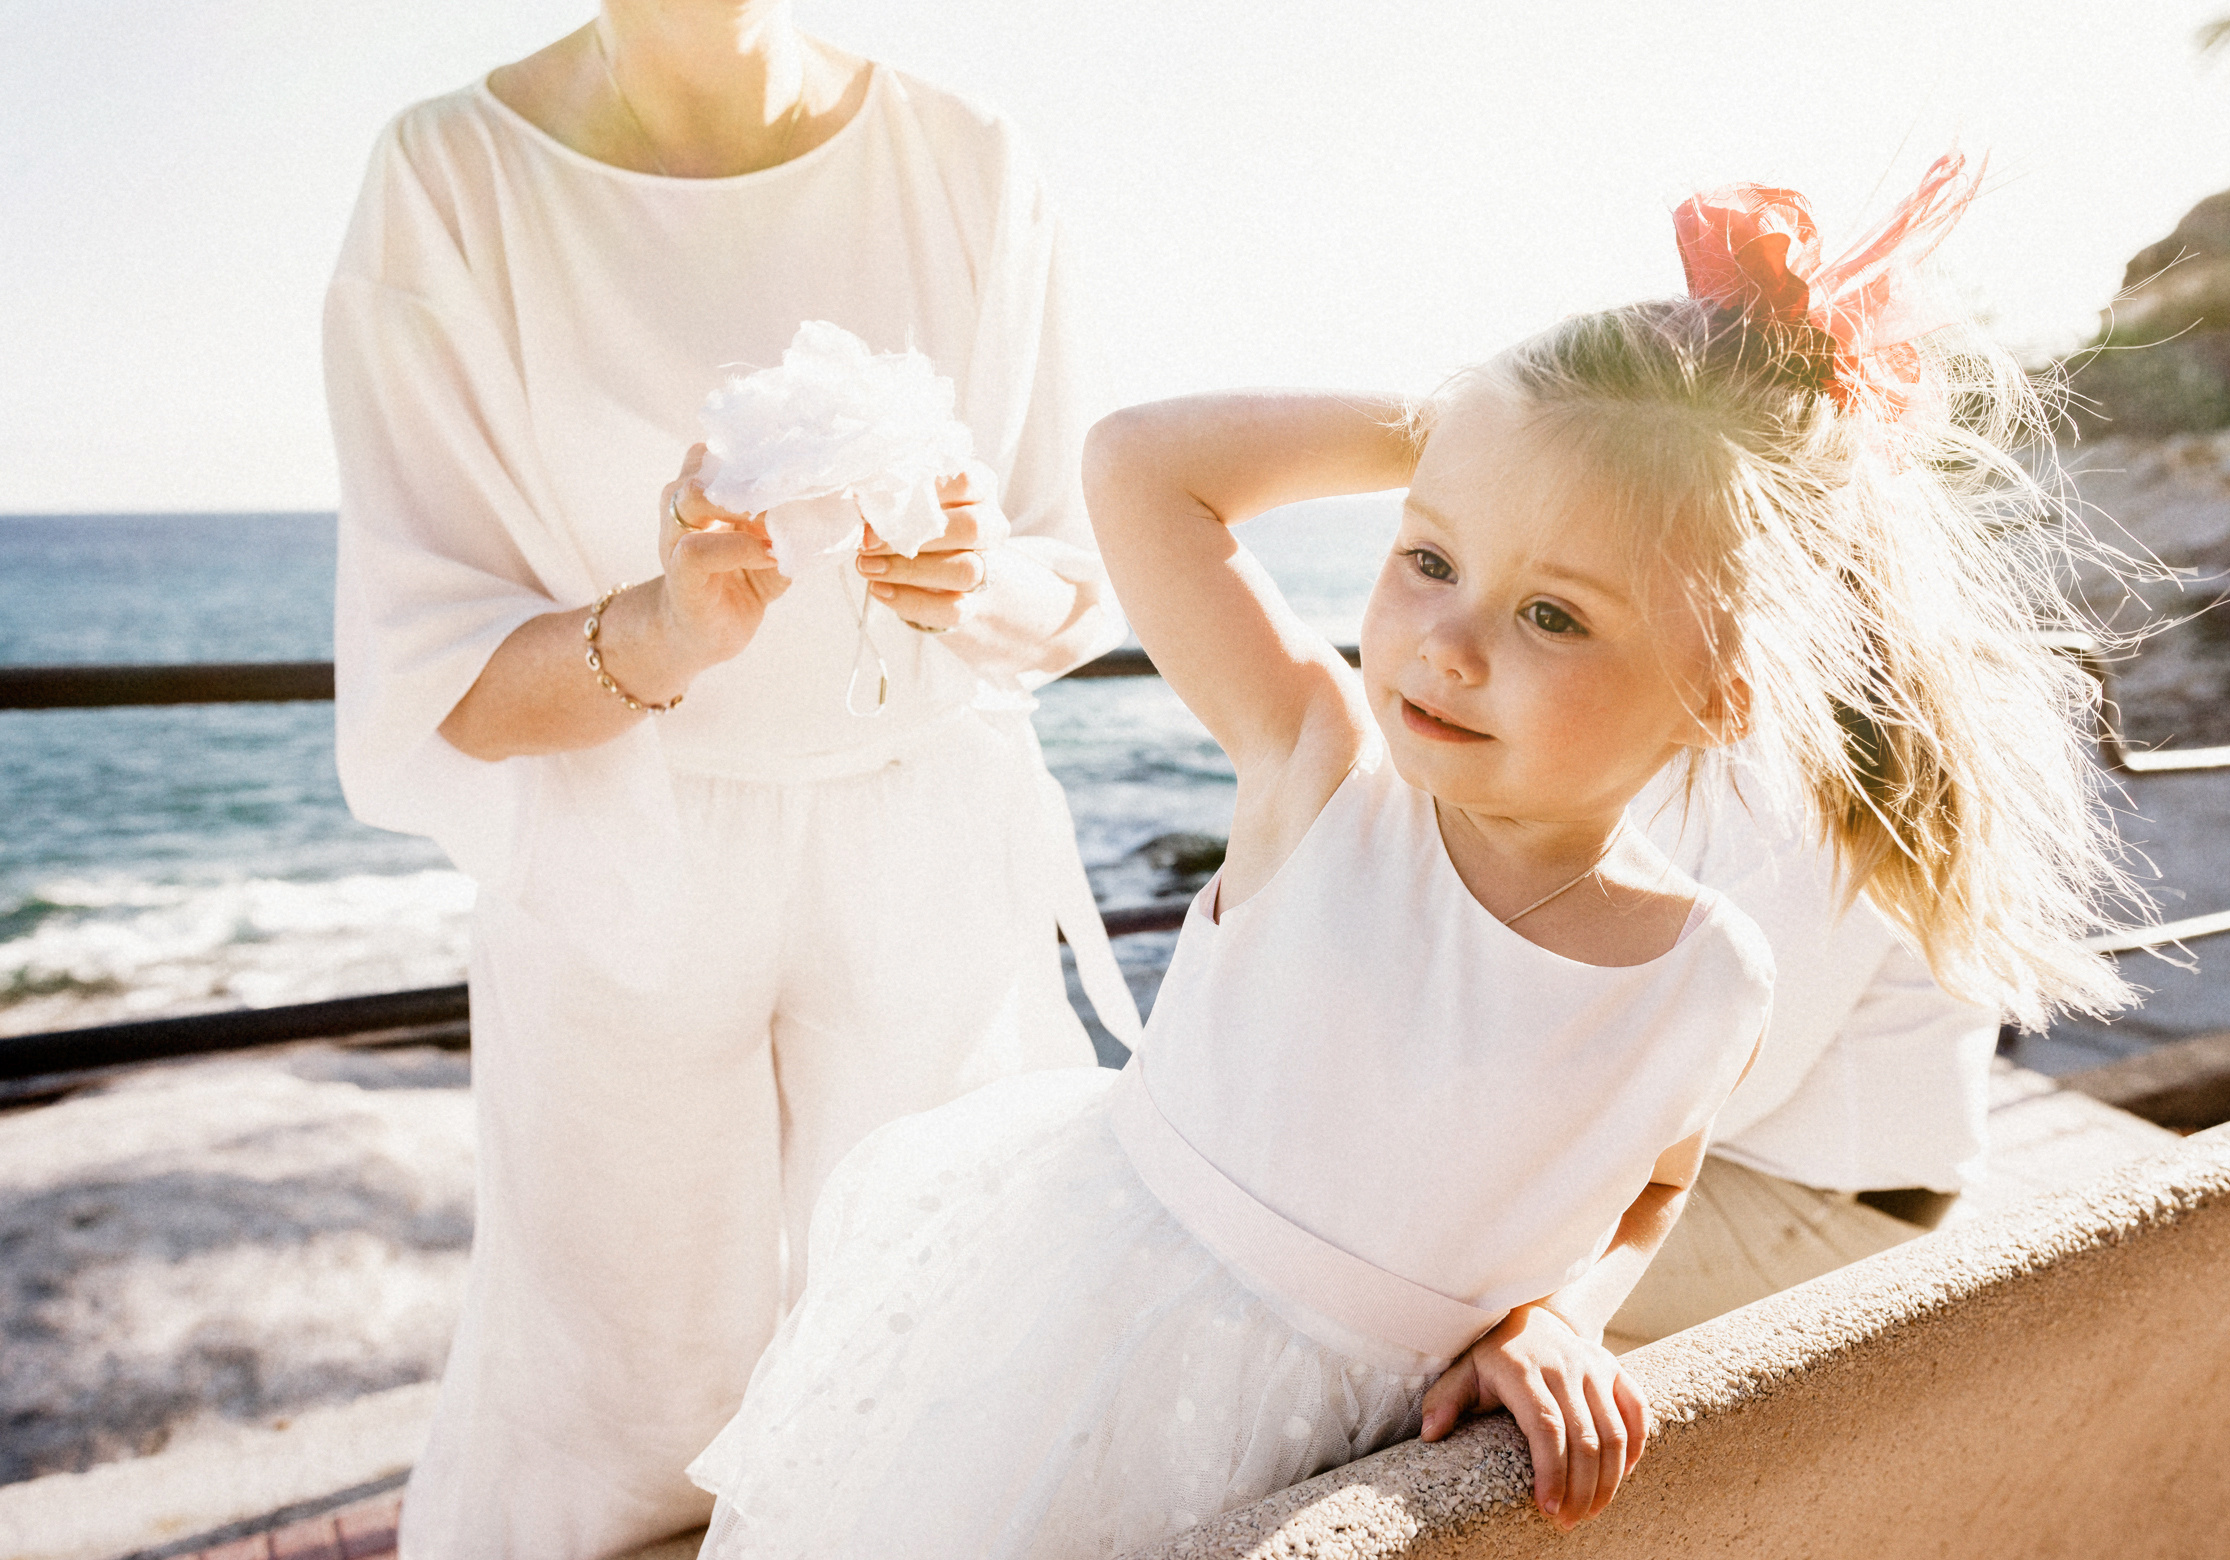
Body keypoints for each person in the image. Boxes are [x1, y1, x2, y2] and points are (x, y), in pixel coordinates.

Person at [682, 156, 2134, 1557]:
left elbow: (1650, 1188)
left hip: (1348, 1451)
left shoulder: (1704, 975)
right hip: (1073, 1368)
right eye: (1430, 558)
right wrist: (1477, 425)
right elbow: (1138, 463)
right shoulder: (1320, 772)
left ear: (1720, 694)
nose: (1447, 644)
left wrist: (1560, 1316)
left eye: (1553, 616)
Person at [322, 5, 1135, 1554]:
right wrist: (666, 627)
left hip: (926, 847)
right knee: (616, 1425)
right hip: (618, 857)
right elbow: (440, 680)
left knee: (943, 1378)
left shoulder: (967, 160)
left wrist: (961, 577)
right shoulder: (449, 176)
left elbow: (1069, 579)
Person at [1601, 776, 1998, 1349]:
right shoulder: (1745, 770)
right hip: (1743, 1169)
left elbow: (1733, 1078)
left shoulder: (1814, 802)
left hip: (1825, 1211)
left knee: (1480, 1260)